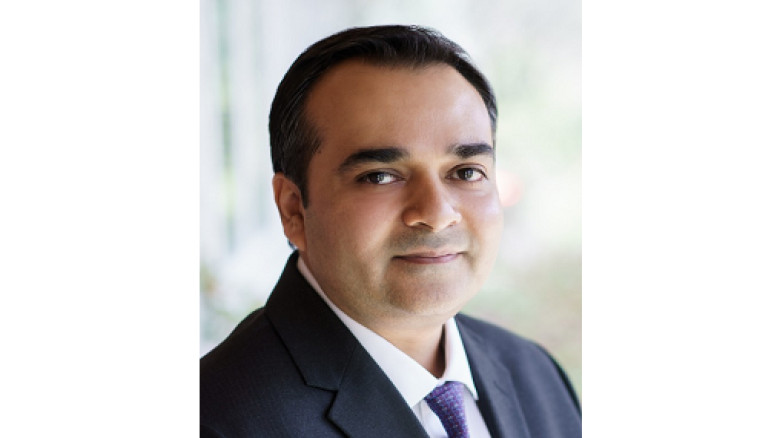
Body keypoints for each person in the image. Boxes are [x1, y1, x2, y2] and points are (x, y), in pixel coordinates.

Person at [201, 25, 581, 437]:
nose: (436, 214)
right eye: (380, 176)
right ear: (293, 209)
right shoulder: (214, 419)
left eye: (466, 172)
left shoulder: (535, 375)